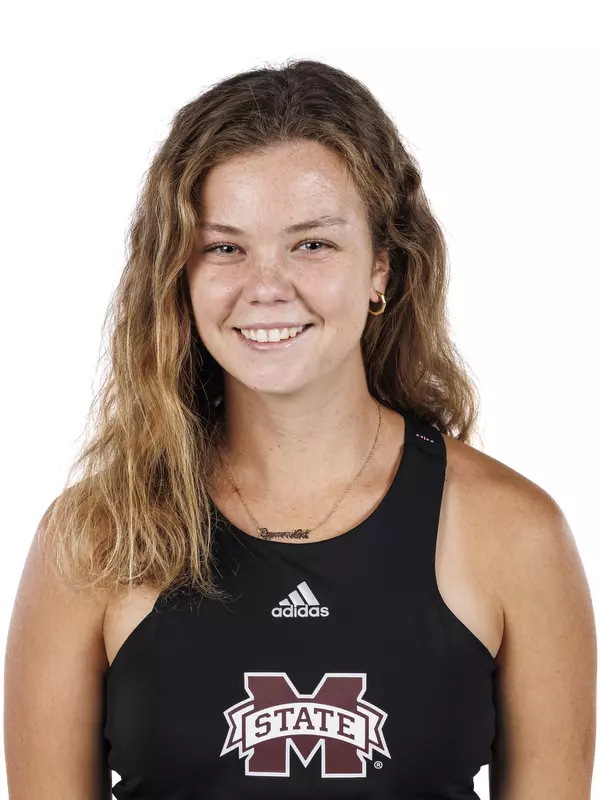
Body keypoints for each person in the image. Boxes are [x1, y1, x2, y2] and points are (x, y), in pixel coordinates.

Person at [4, 58, 596, 800]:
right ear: (178, 275)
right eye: (225, 247)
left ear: (381, 266)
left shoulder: (516, 535)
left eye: (311, 243)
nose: (266, 286)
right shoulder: (94, 539)